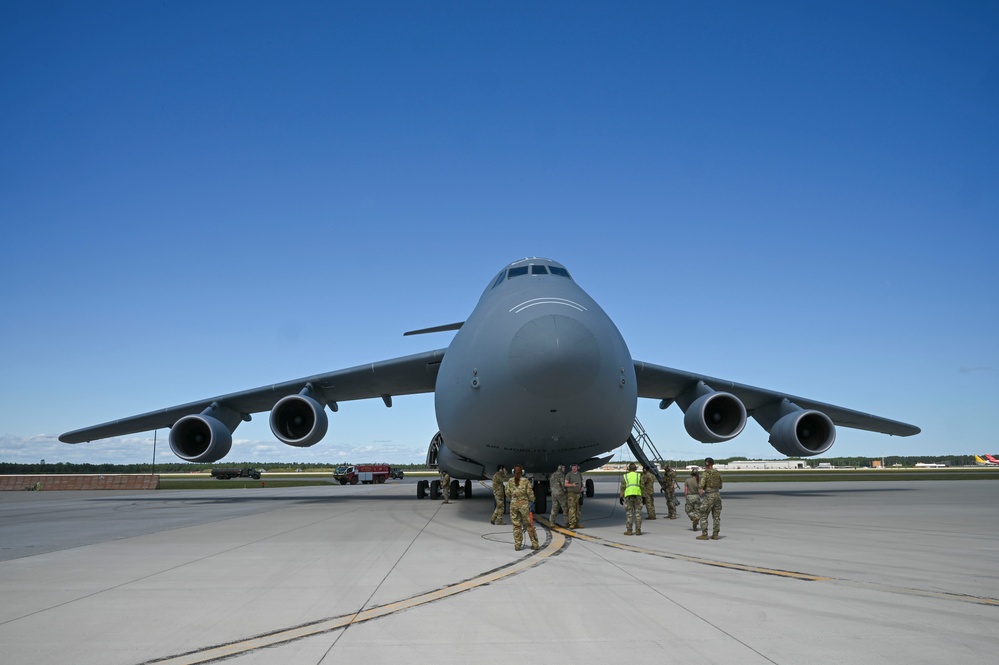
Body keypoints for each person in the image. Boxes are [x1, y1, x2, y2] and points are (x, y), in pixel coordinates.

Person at [506, 465, 539, 551]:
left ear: (513, 472)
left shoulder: (510, 481)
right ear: (522, 472)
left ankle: (517, 545)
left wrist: (513, 499)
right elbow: (530, 493)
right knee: (529, 525)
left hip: (514, 506)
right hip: (524, 506)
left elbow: (507, 493)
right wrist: (532, 501)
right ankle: (535, 544)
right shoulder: (525, 481)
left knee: (516, 525)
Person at [697, 458, 723, 540]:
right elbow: (721, 486)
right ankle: (715, 534)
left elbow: (702, 485)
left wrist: (701, 490)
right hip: (717, 495)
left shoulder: (705, 473)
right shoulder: (718, 473)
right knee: (716, 516)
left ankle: (704, 534)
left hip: (709, 496)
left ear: (706, 464)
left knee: (703, 514)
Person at [620, 462, 643, 535]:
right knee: (638, 513)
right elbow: (642, 486)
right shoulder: (639, 475)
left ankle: (629, 530)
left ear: (629, 469)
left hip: (629, 496)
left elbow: (623, 487)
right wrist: (644, 496)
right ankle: (638, 530)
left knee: (629, 514)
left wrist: (621, 496)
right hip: (637, 495)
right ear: (635, 469)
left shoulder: (625, 476)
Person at [563, 463, 584, 529]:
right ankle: (572, 523)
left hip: (578, 493)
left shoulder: (579, 474)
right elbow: (565, 484)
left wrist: (582, 487)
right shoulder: (568, 474)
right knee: (572, 509)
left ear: (577, 468)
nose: (574, 468)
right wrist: (572, 485)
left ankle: (577, 523)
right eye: (573, 467)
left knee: (578, 509)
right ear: (571, 468)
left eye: (575, 467)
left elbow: (581, 482)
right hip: (571, 494)